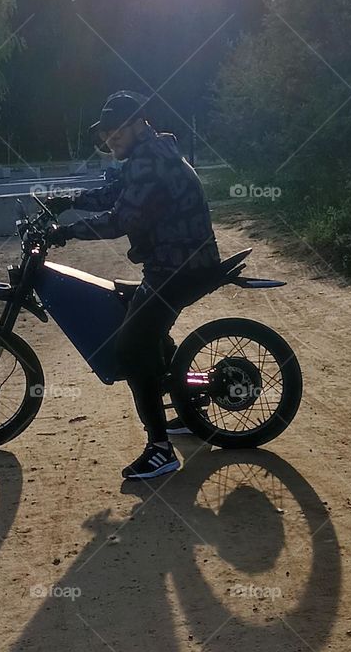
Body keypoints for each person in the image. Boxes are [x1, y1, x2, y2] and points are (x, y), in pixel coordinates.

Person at [47, 91, 221, 481]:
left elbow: (122, 219)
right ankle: (186, 404)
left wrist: (67, 233)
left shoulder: (151, 161)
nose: (110, 139)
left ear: (140, 123)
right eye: (106, 133)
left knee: (131, 347)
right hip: (177, 262)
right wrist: (66, 201)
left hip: (179, 267)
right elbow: (114, 194)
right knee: (135, 314)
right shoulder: (148, 156)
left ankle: (161, 450)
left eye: (116, 130)